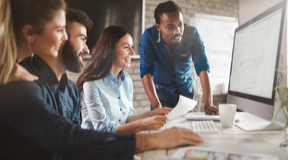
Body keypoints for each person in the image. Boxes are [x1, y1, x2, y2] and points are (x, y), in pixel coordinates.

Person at [0, 0, 203, 159]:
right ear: (30, 34)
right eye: (59, 30)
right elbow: (68, 138)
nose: (87, 49)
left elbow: (75, 145)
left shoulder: (69, 90)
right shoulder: (21, 85)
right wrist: (148, 141)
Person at [76, 26, 172, 134]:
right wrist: (143, 125)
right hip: (95, 146)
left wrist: (153, 114)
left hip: (118, 142)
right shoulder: (91, 84)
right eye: (126, 47)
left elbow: (126, 120)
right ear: (110, 49)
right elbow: (102, 128)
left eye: (132, 47)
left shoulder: (126, 80)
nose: (132, 52)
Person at [139, 1, 219, 115]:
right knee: (163, 129)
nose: (177, 31)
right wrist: (156, 106)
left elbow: (203, 68)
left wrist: (208, 104)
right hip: (161, 93)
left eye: (180, 25)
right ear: (158, 27)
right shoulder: (149, 37)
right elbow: (146, 72)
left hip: (186, 93)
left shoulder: (192, 35)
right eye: (170, 27)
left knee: (185, 128)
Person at [20, 8, 93, 125]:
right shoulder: (24, 82)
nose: (87, 50)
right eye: (82, 39)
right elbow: (56, 137)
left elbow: (73, 139)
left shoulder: (72, 91)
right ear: (60, 38)